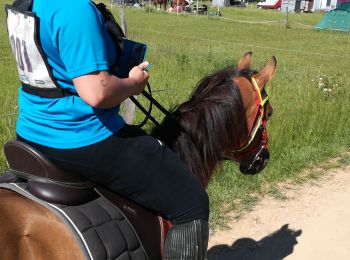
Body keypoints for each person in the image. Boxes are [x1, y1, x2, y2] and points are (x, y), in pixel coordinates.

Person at [6, 0, 209, 259]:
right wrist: (132, 84)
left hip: (31, 130)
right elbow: (97, 93)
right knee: (191, 202)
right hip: (81, 136)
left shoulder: (30, 2)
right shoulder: (74, 9)